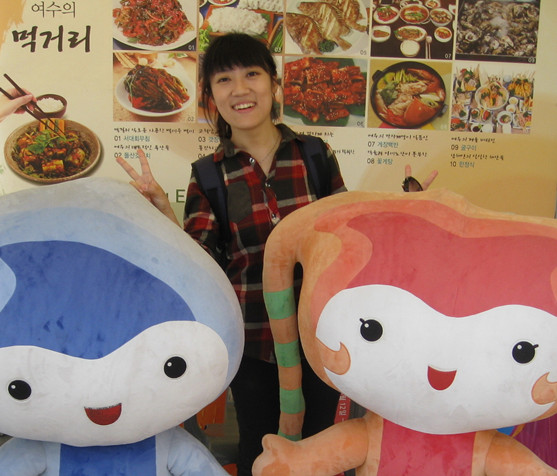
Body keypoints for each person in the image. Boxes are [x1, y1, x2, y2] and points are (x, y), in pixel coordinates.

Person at [117, 33, 437, 476]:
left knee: (324, 444)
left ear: (274, 83)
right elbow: (200, 262)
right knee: (259, 443)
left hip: (320, 332)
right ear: (211, 95)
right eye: (224, 79)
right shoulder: (208, 174)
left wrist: (409, 210)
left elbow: (346, 237)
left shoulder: (314, 155)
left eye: (252, 74)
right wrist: (163, 212)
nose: (240, 89)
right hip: (253, 340)